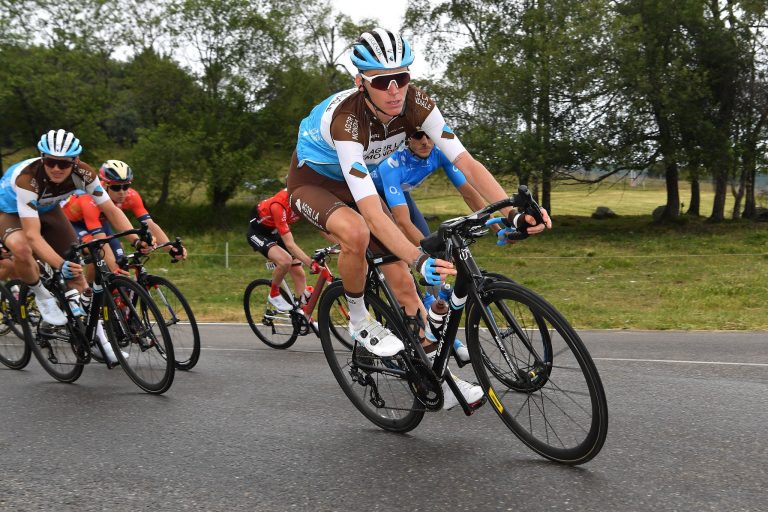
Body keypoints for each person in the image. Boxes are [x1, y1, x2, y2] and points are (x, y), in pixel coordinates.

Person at [287, 28, 551, 410]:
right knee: (357, 232)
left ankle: (435, 375)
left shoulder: (419, 105)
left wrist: (513, 212)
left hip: (360, 182)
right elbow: (375, 214)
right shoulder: (347, 121)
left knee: (407, 289)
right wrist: (417, 256)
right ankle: (359, 318)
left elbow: (465, 162)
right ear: (361, 82)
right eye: (382, 82)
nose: (394, 90)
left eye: (402, 78)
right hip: (315, 181)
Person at [0, 130, 150, 363]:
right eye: (50, 161)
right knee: (21, 249)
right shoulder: (27, 179)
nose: (56, 168)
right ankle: (43, 296)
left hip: (49, 211)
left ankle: (98, 340)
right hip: (10, 212)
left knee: (78, 277)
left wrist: (136, 239)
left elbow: (111, 210)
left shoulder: (84, 173)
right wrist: (60, 264)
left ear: (75, 161)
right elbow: (32, 235)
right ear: (42, 158)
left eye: (63, 163)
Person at [370, 131, 487, 362]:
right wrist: (424, 255)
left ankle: (437, 327)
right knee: (412, 264)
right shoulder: (393, 165)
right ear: (407, 139)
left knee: (433, 258)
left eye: (428, 136)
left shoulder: (438, 153)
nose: (425, 142)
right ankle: (429, 331)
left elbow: (468, 192)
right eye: (417, 136)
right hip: (373, 201)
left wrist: (493, 224)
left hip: (400, 197)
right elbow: (402, 222)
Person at [62, 160, 187, 271]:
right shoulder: (90, 200)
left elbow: (150, 224)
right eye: (116, 187)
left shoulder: (131, 196)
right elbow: (100, 239)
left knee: (120, 259)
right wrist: (114, 270)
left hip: (99, 222)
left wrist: (171, 248)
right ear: (105, 185)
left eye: (126, 186)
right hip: (72, 223)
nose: (122, 192)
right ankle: (87, 292)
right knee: (97, 252)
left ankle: (102, 291)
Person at [246, 188, 317, 312]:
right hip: (257, 233)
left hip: (274, 231)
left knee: (299, 274)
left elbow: (320, 226)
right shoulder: (279, 205)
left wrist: (342, 243)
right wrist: (310, 263)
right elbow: (290, 244)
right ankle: (274, 293)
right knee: (285, 261)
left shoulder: (302, 201)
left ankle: (304, 317)